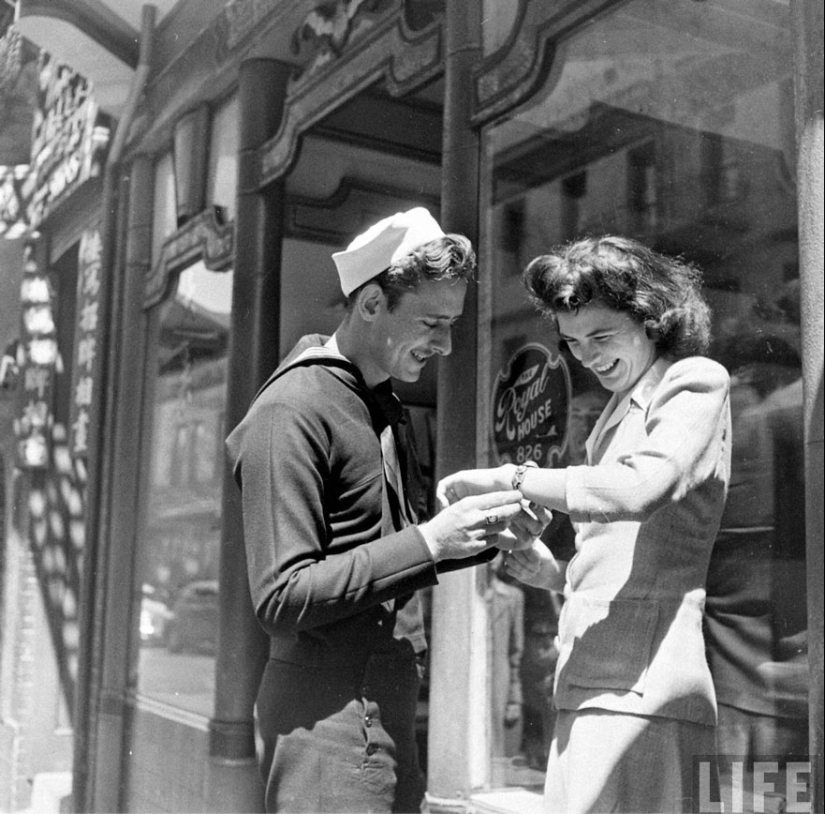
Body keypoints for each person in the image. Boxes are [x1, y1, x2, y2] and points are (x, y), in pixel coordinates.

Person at [226, 207, 543, 814]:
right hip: (328, 730)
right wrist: (429, 542)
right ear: (370, 304)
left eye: (452, 325)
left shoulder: (376, 404)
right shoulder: (291, 410)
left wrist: (481, 532)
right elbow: (281, 597)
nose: (447, 345)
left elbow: (380, 552)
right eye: (432, 322)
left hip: (383, 716)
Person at [437, 235, 732, 813]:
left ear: (652, 318)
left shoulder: (693, 380)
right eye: (572, 343)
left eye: (602, 336)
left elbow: (640, 488)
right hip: (596, 679)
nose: (589, 357)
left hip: (646, 690)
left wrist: (512, 478)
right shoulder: (615, 414)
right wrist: (555, 575)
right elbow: (629, 556)